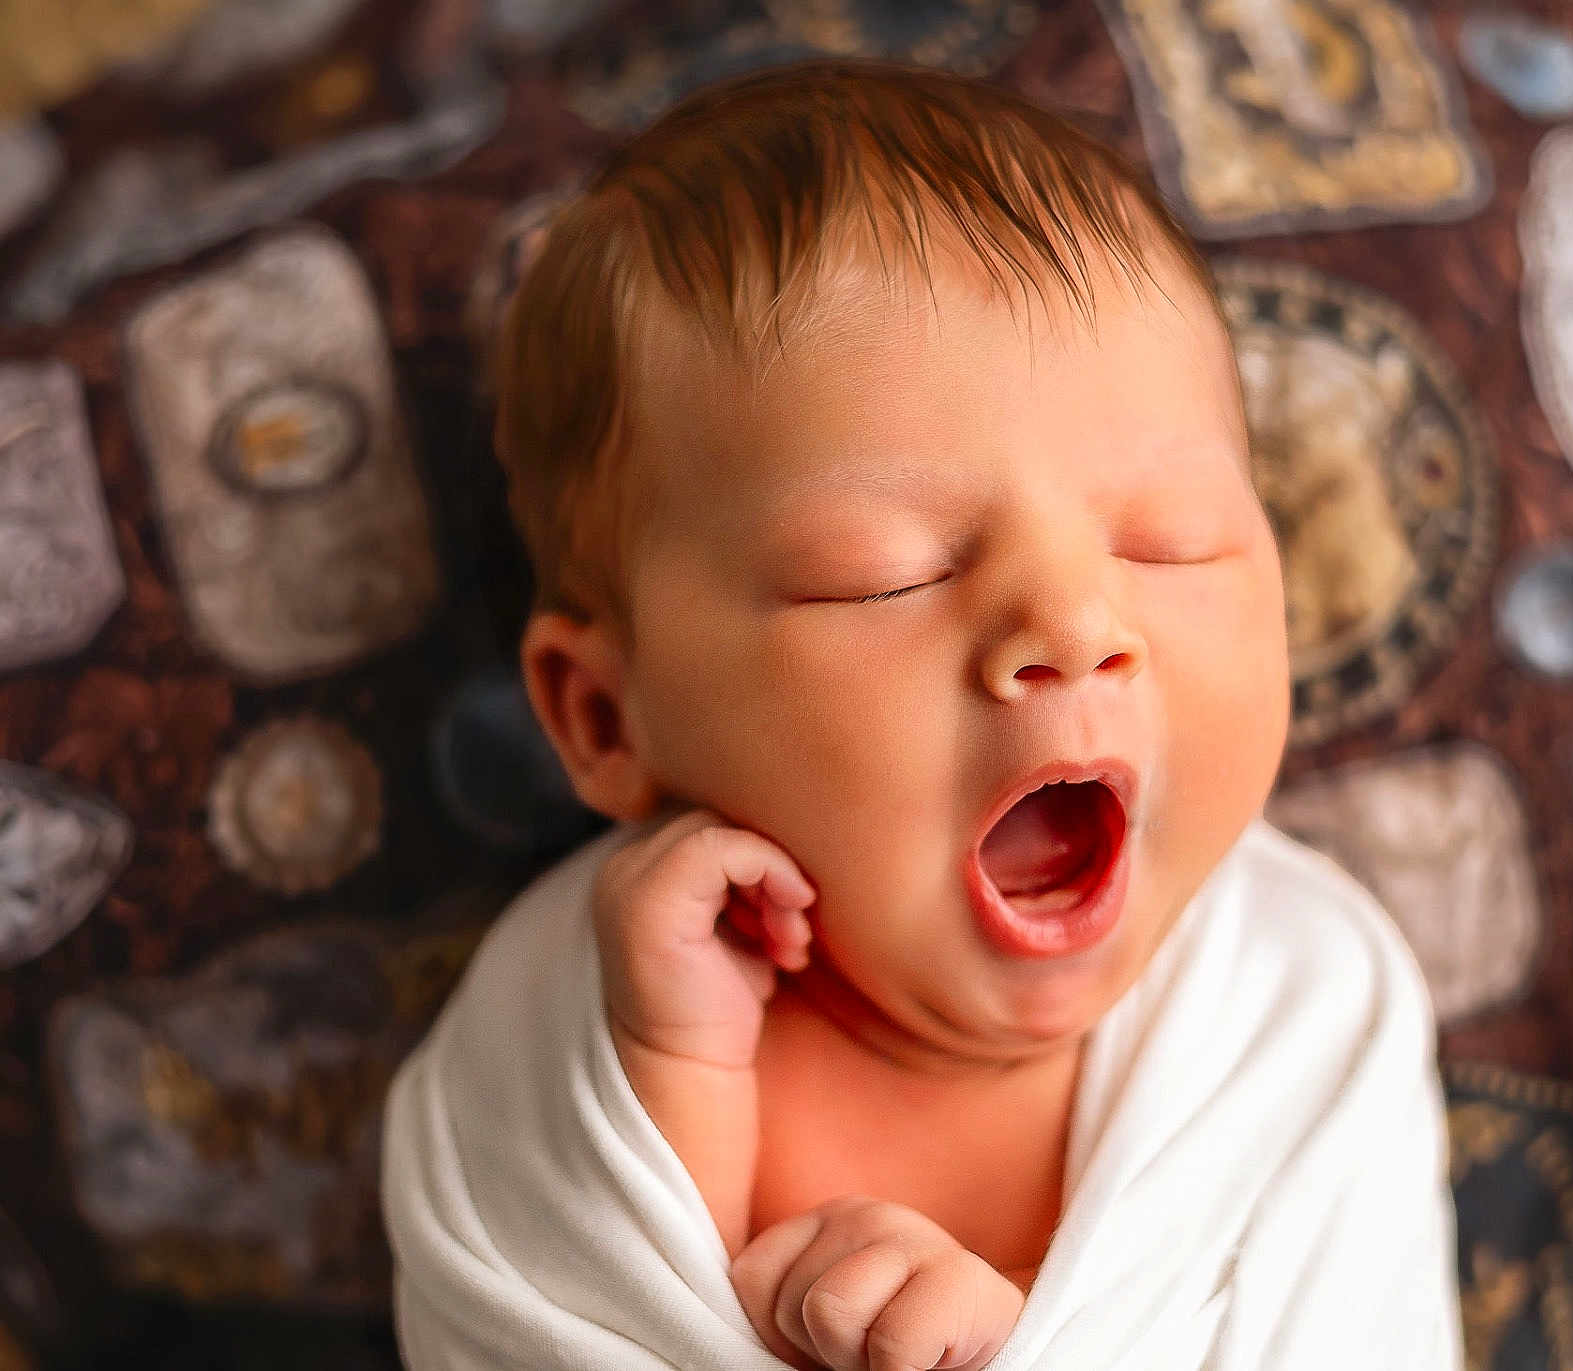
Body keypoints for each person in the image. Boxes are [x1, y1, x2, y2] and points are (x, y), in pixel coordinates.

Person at [381, 57, 1462, 1371]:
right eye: (884, 575)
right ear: (605, 715)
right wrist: (672, 1088)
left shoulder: (1298, 1007)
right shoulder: (563, 1039)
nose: (1072, 627)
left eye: (1168, 544)